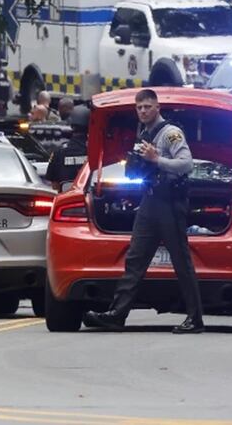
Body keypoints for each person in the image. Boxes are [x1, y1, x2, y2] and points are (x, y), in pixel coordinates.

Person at [83, 89, 204, 335]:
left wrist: (156, 159)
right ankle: (117, 314)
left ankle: (195, 318)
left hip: (170, 202)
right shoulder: (143, 133)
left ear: (157, 107)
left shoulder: (171, 133)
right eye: (139, 108)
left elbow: (186, 164)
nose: (143, 111)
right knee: (135, 259)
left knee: (181, 261)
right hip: (149, 201)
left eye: (148, 107)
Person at [44, 105, 89, 192]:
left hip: (66, 201)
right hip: (89, 200)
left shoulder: (59, 151)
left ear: (71, 126)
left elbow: (54, 185)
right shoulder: (95, 152)